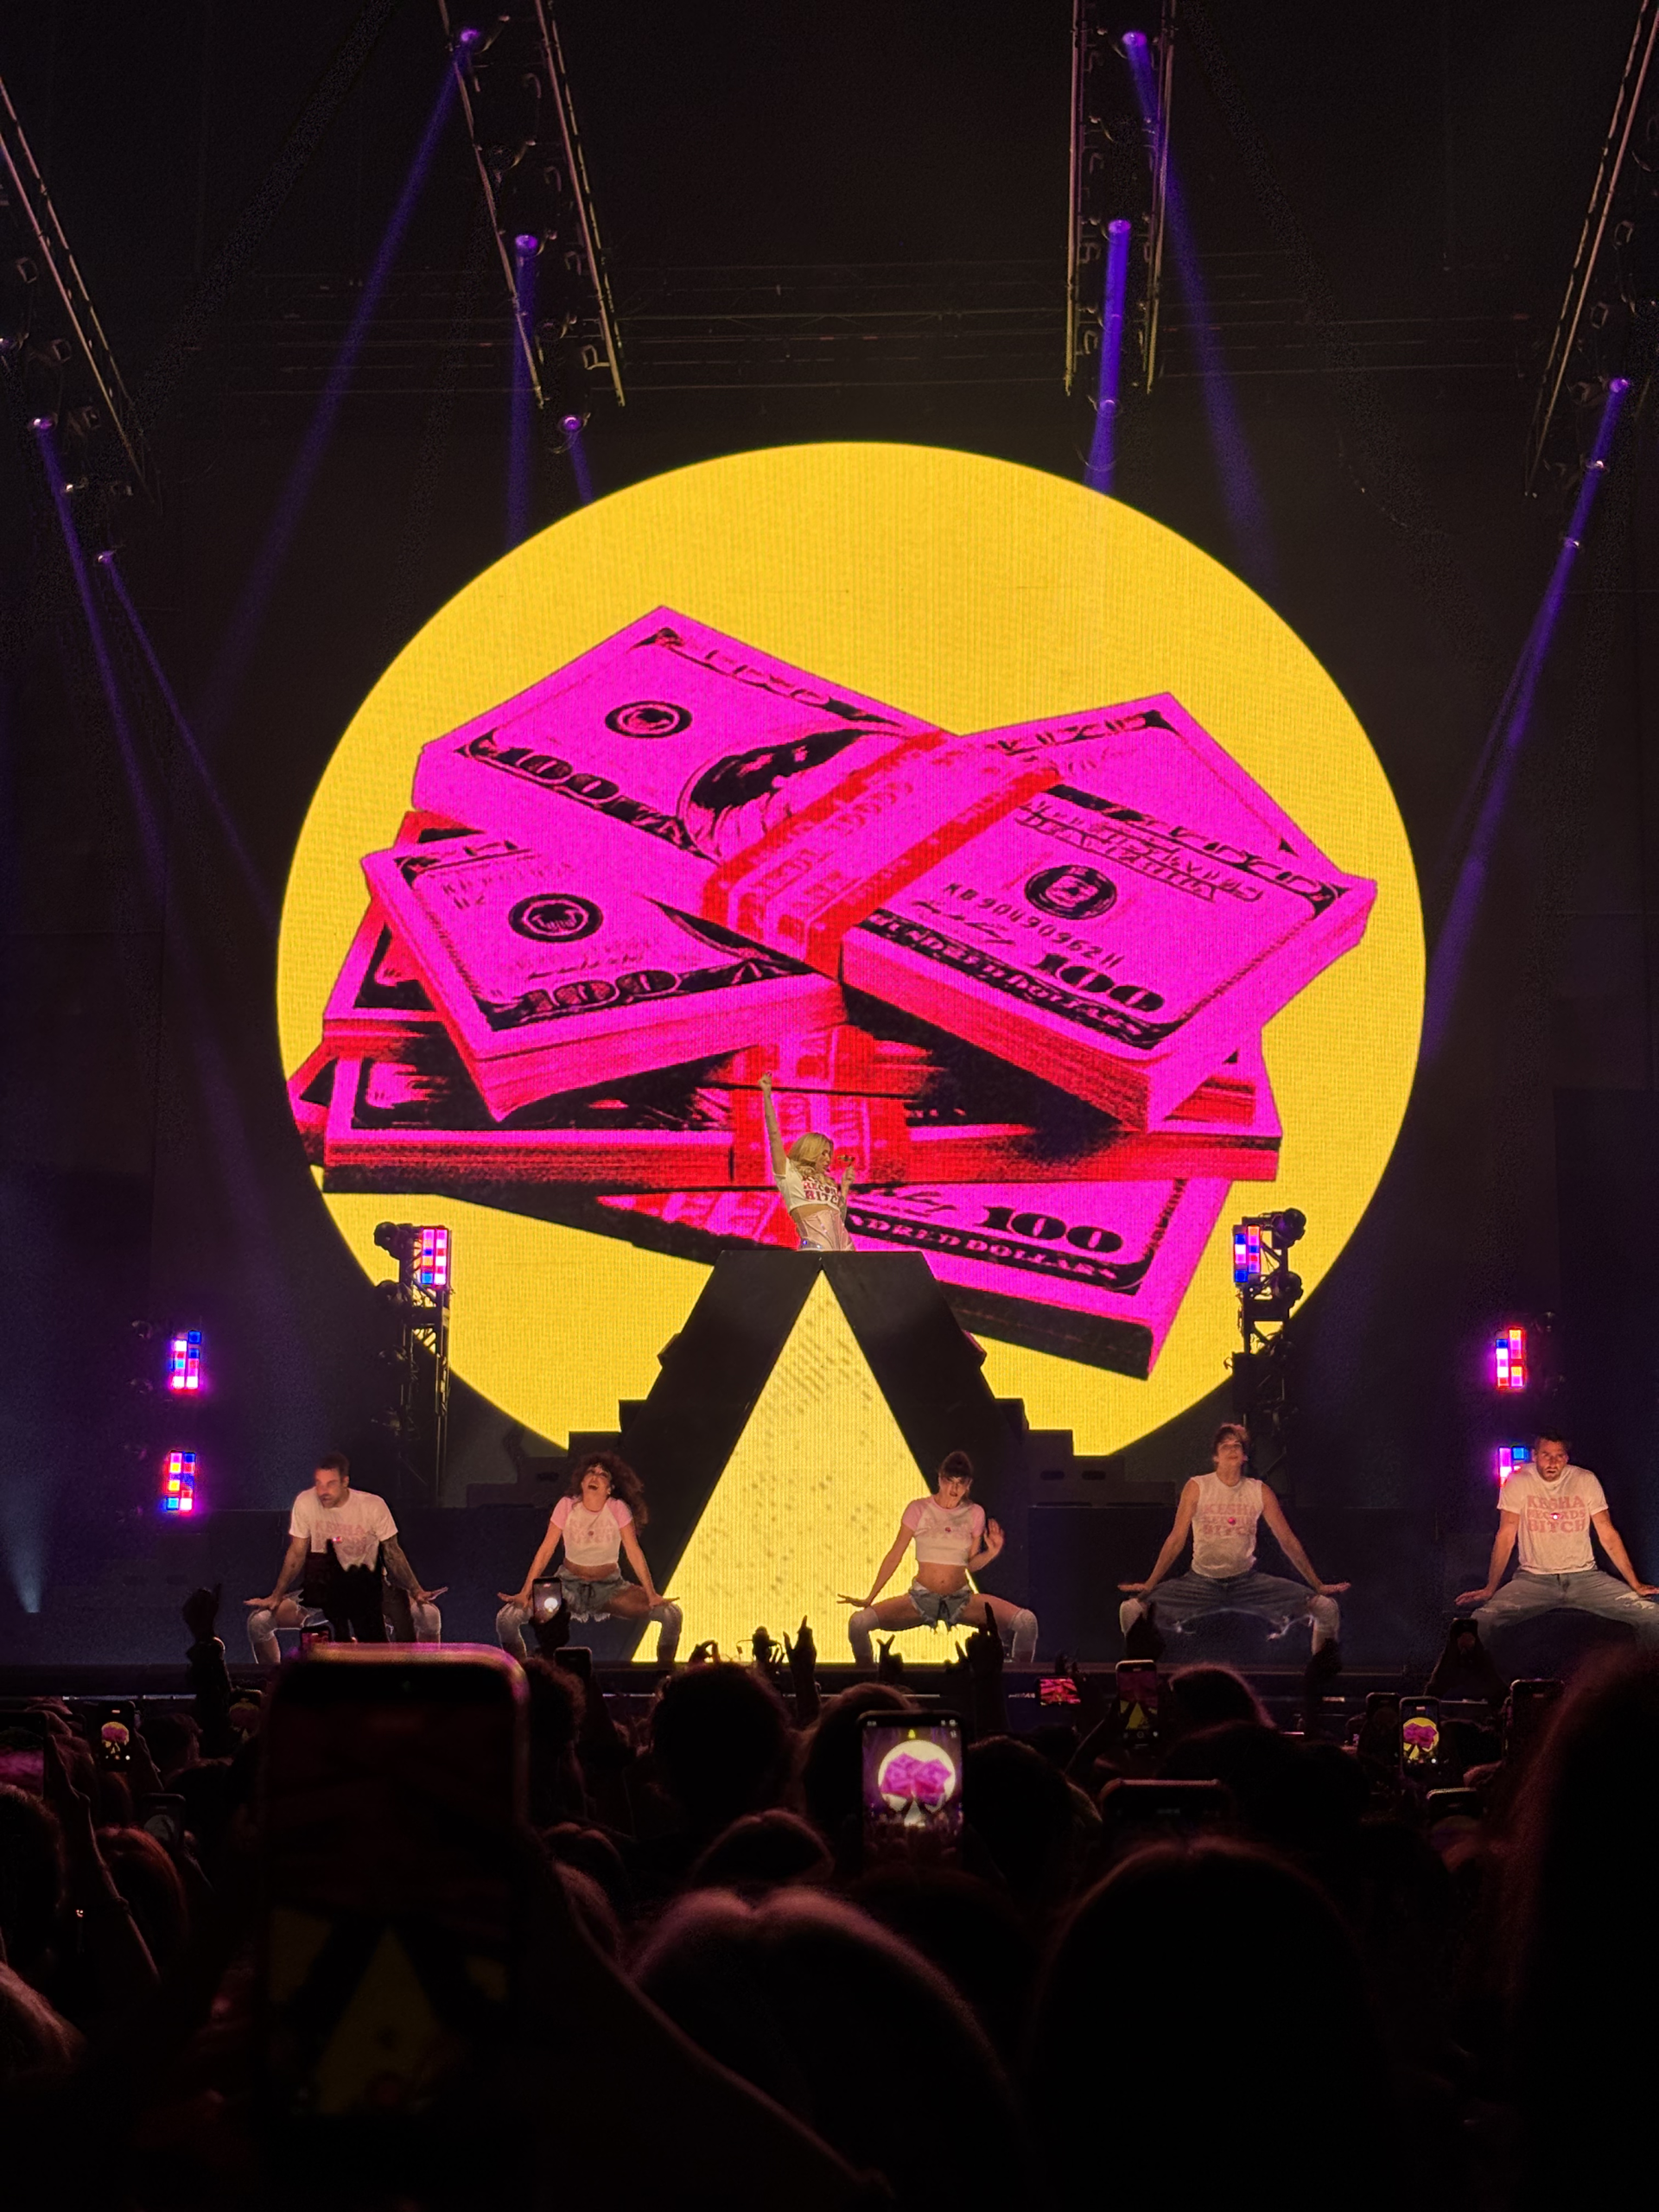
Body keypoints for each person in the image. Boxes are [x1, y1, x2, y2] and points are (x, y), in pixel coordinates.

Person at [1117, 1423, 1347, 1654]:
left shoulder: (1259, 1491)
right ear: (1215, 1457)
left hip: (1247, 1582)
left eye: (1237, 1445)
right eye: (1225, 1446)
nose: (1232, 1449)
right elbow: (1176, 1540)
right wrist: (1150, 1583)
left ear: (1244, 1456)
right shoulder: (1197, 1487)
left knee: (1326, 1608)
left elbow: (1287, 1541)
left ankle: (1322, 1671)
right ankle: (1140, 1672)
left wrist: (1317, 1584)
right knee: (1131, 1610)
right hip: (1200, 1583)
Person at [244, 1452, 444, 1668]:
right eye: (319, 1483)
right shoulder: (306, 1502)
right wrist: (276, 1595)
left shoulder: (372, 1505)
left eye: (330, 1484)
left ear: (345, 1482)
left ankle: (423, 1682)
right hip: (323, 1591)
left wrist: (416, 1590)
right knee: (259, 1623)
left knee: (429, 1616)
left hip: (370, 1590)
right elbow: (296, 1553)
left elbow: (393, 1553)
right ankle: (272, 1682)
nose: (323, 1491)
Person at [1456, 1430, 1659, 1642]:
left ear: (1566, 1458)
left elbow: (1607, 1533)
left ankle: (1648, 1663)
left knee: (1653, 1616)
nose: (1552, 1463)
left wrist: (1635, 1583)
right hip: (1534, 1580)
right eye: (1546, 1455)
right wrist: (1490, 1588)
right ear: (1535, 1456)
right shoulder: (1518, 1480)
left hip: (1585, 1577)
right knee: (1481, 1621)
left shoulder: (1585, 1480)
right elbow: (1506, 1535)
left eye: (1559, 1456)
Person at [840, 1451, 1038, 1665]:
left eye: (960, 1483)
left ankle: (1015, 1680)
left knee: (1027, 1622)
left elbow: (970, 1564)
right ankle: (871, 1681)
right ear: (940, 1479)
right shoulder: (918, 1509)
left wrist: (991, 1552)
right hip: (921, 1598)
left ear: (968, 1485)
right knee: (858, 1624)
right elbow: (895, 1555)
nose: (954, 1488)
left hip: (961, 1598)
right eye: (950, 1481)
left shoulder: (975, 1512)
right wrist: (870, 1597)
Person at [496, 1450, 683, 1664]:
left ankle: (663, 1675)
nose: (595, 1476)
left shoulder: (617, 1509)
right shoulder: (567, 1506)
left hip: (610, 1587)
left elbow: (634, 1552)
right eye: (591, 1472)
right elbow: (546, 1549)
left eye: (603, 1474)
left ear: (609, 1489)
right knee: (506, 1619)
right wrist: (525, 1592)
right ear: (582, 1482)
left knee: (672, 1615)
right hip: (567, 1586)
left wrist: (651, 1594)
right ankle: (521, 1675)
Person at [759, 1071, 853, 1251]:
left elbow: (838, 1218)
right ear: (811, 1150)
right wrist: (767, 1096)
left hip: (845, 1248)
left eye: (829, 1154)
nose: (828, 1159)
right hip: (814, 1248)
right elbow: (774, 1136)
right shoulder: (789, 1173)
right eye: (824, 1153)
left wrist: (845, 1188)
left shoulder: (827, 1182)